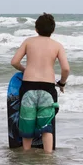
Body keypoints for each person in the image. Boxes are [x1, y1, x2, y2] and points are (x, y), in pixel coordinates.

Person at [10, 13, 70, 154]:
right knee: (46, 125)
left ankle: (26, 154)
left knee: (27, 122)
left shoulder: (28, 42)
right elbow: (66, 68)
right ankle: (48, 157)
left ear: (36, 29)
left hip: (28, 86)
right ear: (53, 30)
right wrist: (61, 83)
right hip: (48, 88)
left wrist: (25, 69)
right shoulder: (57, 46)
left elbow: (14, 62)